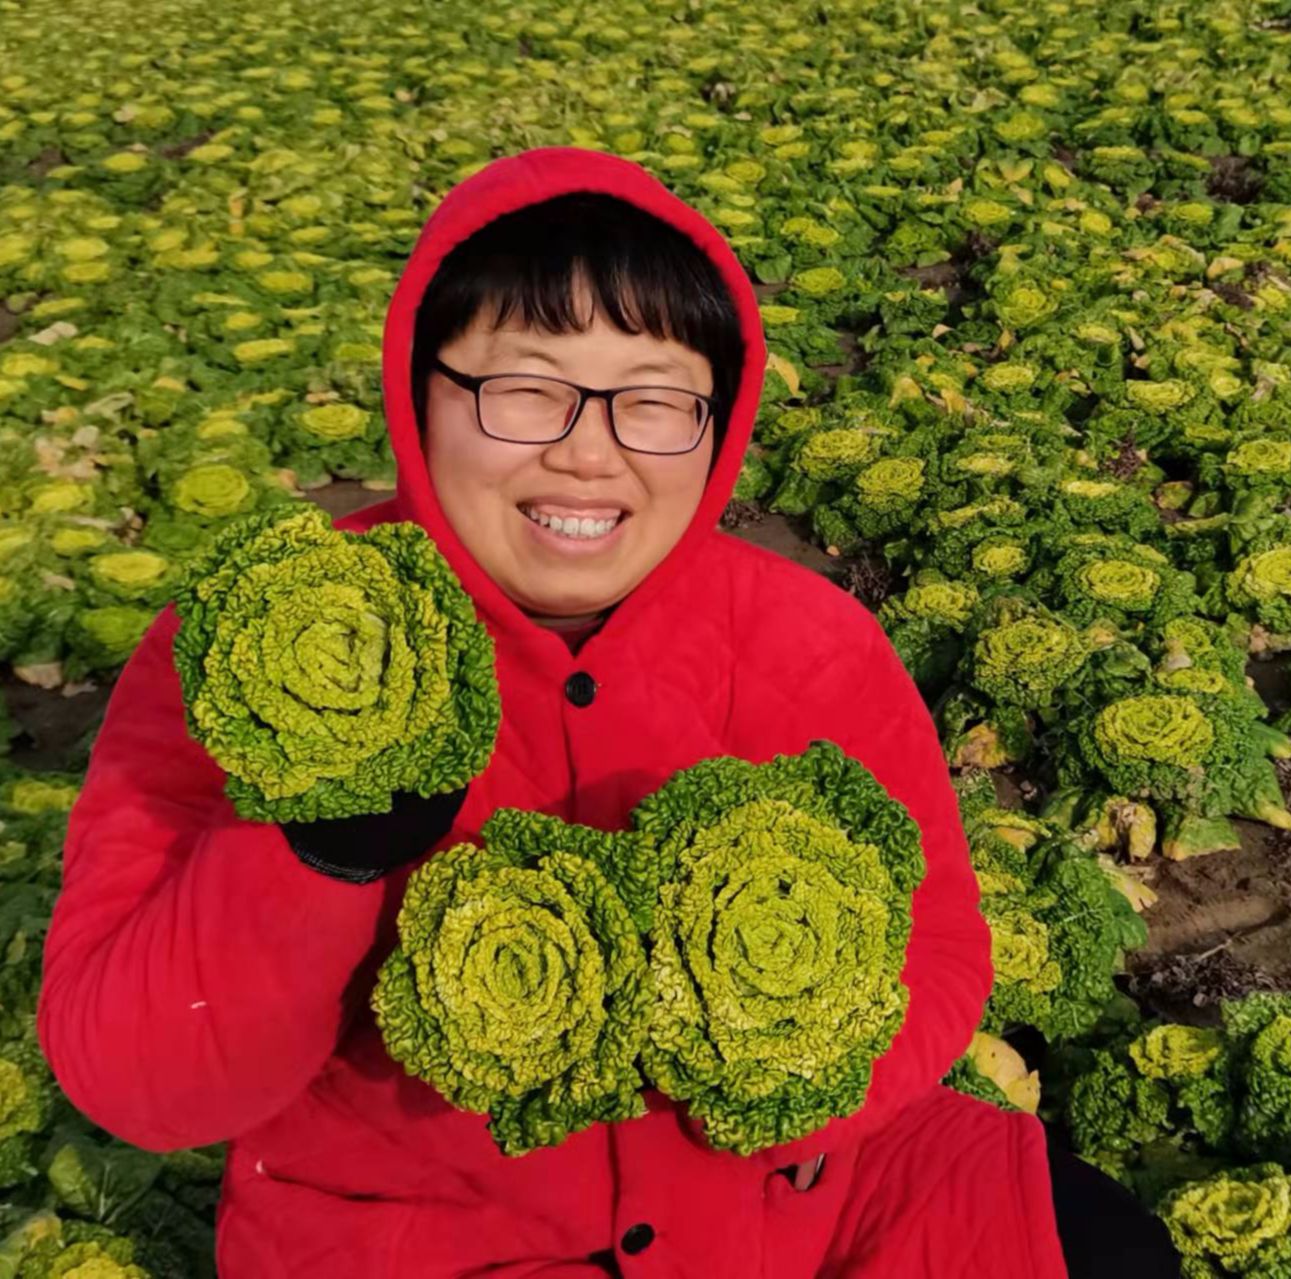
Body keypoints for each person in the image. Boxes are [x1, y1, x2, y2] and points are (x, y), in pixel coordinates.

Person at [37, 147, 1180, 1278]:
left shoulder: (811, 638)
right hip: (428, 1230)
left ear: (717, 423)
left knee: (1103, 1247)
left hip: (792, 1194)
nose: (588, 450)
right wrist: (316, 854)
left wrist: (775, 1064)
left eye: (653, 400)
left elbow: (935, 947)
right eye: (526, 386)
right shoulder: (265, 642)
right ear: (419, 391)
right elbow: (142, 1083)